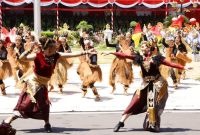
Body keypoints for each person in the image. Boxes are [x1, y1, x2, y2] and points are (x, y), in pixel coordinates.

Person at [0, 37, 95, 133]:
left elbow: (71, 54)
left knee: (44, 104)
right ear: (49, 48)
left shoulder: (56, 55)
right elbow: (21, 58)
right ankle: (7, 121)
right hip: (33, 82)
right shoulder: (37, 56)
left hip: (44, 83)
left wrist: (86, 52)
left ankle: (47, 123)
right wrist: (29, 50)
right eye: (54, 47)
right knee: (26, 104)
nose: (56, 49)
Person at [102, 41, 192, 132]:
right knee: (134, 102)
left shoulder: (156, 58)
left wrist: (184, 68)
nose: (142, 48)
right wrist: (111, 52)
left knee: (152, 103)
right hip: (145, 83)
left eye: (144, 46)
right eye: (141, 46)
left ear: (149, 48)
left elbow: (170, 64)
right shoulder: (140, 58)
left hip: (156, 83)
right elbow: (124, 55)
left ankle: (153, 124)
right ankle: (121, 122)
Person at [78, 32, 102, 101]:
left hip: (93, 70)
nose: (86, 46)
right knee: (85, 83)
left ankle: (96, 95)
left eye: (87, 45)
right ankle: (84, 91)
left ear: (90, 45)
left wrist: (89, 62)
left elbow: (94, 62)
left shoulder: (93, 52)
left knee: (91, 83)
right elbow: (81, 43)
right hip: (86, 70)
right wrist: (82, 36)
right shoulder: (85, 50)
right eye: (85, 45)